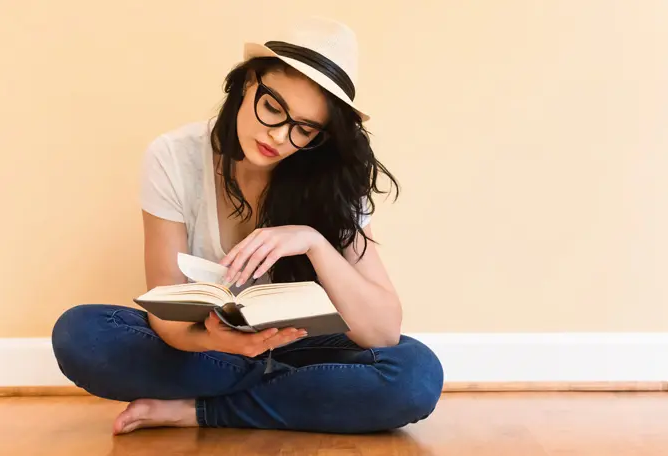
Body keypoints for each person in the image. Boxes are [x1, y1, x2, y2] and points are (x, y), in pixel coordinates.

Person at [51, 16, 444, 435]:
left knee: (415, 374)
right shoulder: (173, 157)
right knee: (83, 334)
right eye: (273, 108)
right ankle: (294, 398)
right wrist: (219, 342)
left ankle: (200, 410)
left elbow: (383, 332)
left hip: (298, 347)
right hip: (207, 351)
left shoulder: (332, 181)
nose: (278, 136)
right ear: (246, 84)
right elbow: (167, 313)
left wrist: (313, 242)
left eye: (304, 129)